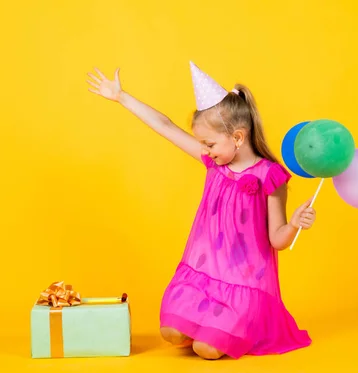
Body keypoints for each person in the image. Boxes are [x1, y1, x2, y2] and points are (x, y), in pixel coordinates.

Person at [87, 61, 316, 360]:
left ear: (237, 137)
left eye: (209, 144)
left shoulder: (269, 176)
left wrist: (295, 224)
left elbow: (278, 241)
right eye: (202, 145)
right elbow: (165, 126)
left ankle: (223, 326)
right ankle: (211, 323)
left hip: (243, 286)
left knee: (206, 350)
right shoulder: (213, 162)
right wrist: (122, 97)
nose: (205, 151)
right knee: (172, 332)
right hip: (202, 278)